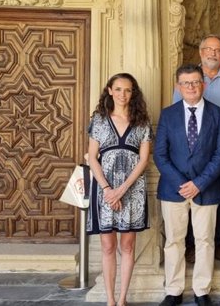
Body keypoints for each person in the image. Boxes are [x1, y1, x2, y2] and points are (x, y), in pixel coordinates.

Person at [154, 64, 220, 306]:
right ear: (179, 86)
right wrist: (182, 183)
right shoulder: (168, 114)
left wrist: (198, 183)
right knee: (174, 241)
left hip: (206, 189)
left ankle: (201, 290)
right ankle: (174, 291)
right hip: (173, 190)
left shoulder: (218, 114)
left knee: (205, 241)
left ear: (203, 84)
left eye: (196, 82)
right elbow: (160, 155)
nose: (191, 87)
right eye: (186, 83)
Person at [173, 35, 220, 263]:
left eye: (217, 50)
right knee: (191, 199)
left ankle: (217, 242)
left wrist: (219, 130)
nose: (213, 53)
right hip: (191, 150)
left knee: (218, 197)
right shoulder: (189, 78)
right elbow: (178, 109)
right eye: (208, 49)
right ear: (201, 52)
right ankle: (191, 245)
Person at [87, 73, 152, 306]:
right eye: (118, 89)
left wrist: (121, 190)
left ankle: (123, 299)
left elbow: (144, 160)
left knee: (127, 245)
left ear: (133, 93)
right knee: (108, 245)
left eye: (128, 90)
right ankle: (110, 300)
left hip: (131, 190)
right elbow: (92, 158)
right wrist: (107, 189)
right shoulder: (99, 120)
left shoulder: (142, 121)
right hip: (105, 189)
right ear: (110, 90)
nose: (123, 94)